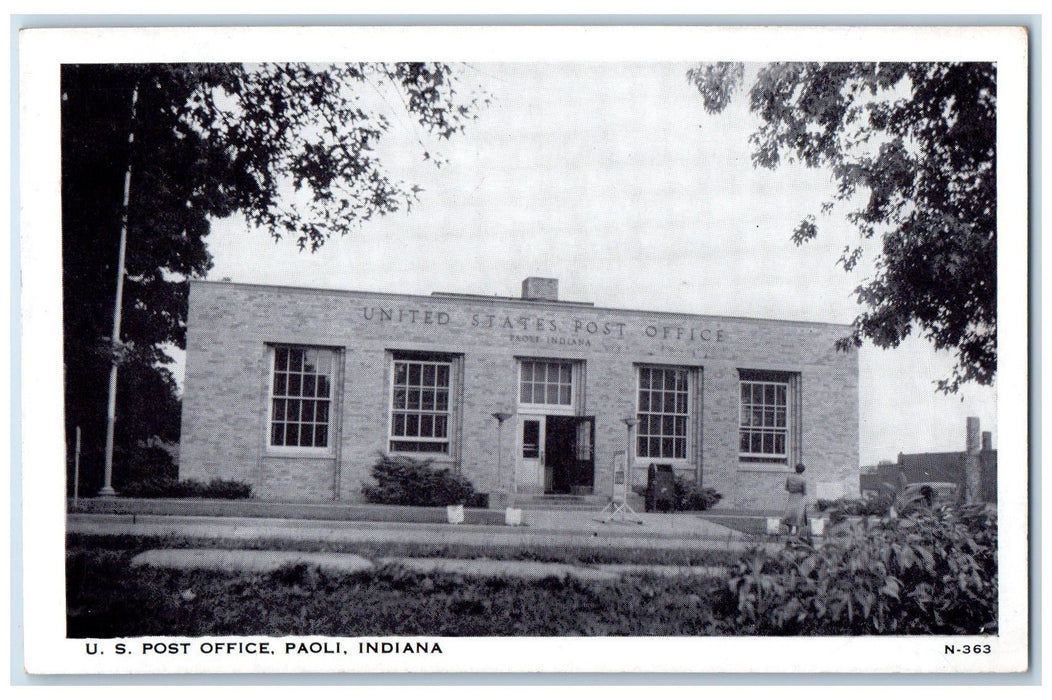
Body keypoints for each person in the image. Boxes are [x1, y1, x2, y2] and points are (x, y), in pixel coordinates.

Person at [783, 463, 808, 536]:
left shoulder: (789, 477)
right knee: (799, 515)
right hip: (800, 498)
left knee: (790, 514)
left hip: (791, 496)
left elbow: (786, 488)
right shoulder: (803, 480)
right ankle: (797, 534)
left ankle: (789, 533)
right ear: (803, 471)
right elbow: (805, 492)